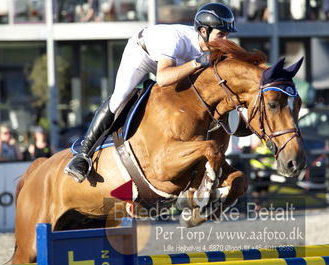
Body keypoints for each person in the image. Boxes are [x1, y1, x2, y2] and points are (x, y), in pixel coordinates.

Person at [64, 2, 237, 182]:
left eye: (226, 35)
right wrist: (197, 63)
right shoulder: (177, 39)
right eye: (221, 35)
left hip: (172, 62)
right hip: (142, 53)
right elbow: (162, 79)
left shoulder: (210, 47)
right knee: (120, 97)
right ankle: (82, 155)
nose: (225, 40)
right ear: (203, 31)